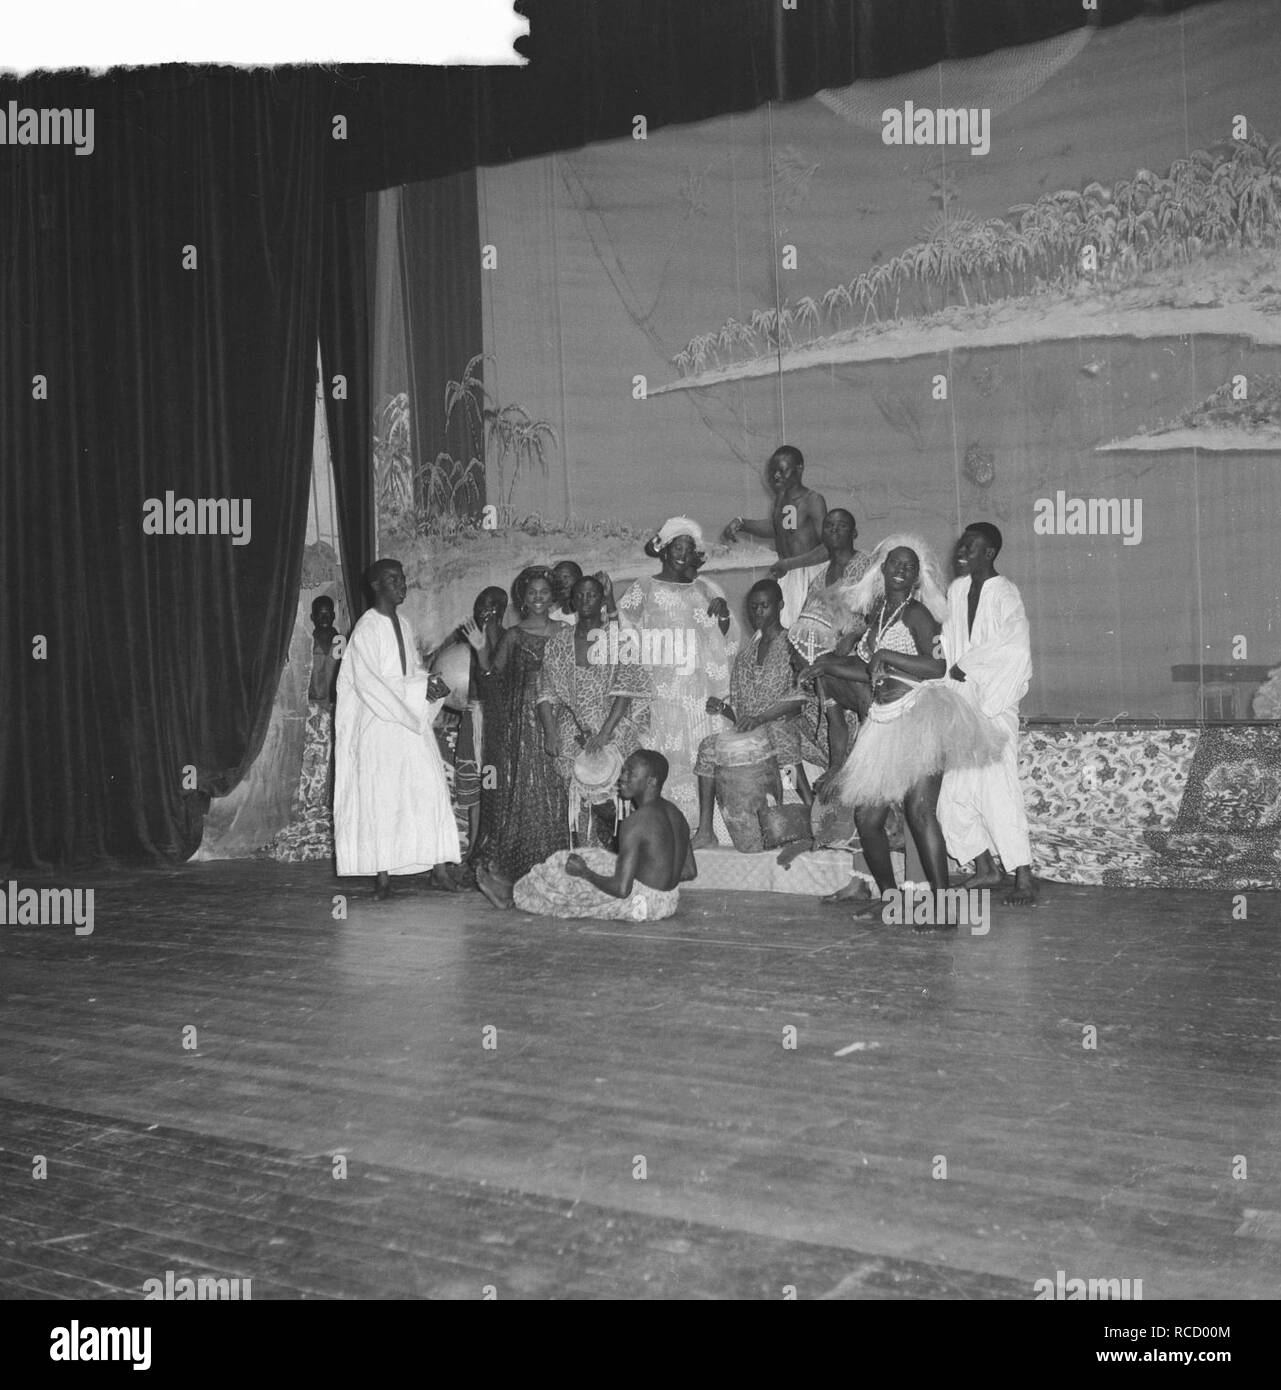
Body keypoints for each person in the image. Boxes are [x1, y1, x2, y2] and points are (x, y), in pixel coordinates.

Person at [808, 538, 1003, 923]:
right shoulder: (878, 611)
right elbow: (869, 671)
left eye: (910, 566)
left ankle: (943, 907)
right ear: (882, 569)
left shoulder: (917, 614)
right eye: (896, 563)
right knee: (867, 820)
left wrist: (886, 655)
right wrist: (825, 667)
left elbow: (937, 668)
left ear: (917, 577)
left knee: (920, 812)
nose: (902, 569)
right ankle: (890, 898)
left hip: (920, 715)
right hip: (883, 720)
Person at [333, 559, 461, 900]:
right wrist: (418, 689)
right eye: (393, 578)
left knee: (430, 789)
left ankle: (439, 870)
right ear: (376, 585)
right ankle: (383, 877)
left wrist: (429, 684)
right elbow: (370, 683)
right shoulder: (366, 629)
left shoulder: (403, 623)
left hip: (411, 722)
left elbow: (411, 671)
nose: (402, 583)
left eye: (403, 577)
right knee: (384, 797)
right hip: (381, 725)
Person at [936, 523, 1038, 907]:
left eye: (970, 546)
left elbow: (1015, 649)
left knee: (999, 791)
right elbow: (947, 642)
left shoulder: (1005, 593)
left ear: (989, 553)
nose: (961, 551)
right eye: (961, 544)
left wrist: (969, 666)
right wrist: (950, 671)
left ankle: (1023, 875)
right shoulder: (956, 590)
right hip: (962, 704)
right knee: (953, 798)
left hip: (995, 705)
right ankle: (985, 867)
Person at [616, 517, 738, 825]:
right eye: (677, 547)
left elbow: (725, 637)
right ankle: (666, 826)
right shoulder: (644, 587)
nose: (683, 553)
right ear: (664, 550)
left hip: (699, 690)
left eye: (688, 547)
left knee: (702, 751)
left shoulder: (707, 588)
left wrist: (722, 616)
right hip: (663, 691)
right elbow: (625, 629)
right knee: (666, 753)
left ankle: (709, 827)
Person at [471, 566, 570, 909]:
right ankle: (519, 880)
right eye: (532, 593)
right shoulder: (513, 636)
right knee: (525, 795)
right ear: (523, 599)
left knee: (557, 793)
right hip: (522, 725)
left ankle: (555, 873)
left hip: (560, 717)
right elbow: (492, 679)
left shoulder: (566, 632)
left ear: (552, 595)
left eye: (544, 592)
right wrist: (482, 649)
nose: (538, 598)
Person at [692, 578, 810, 849]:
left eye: (764, 606)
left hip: (784, 724)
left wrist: (762, 719)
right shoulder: (745, 656)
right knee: (709, 748)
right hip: (756, 729)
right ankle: (706, 831)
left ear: (780, 605)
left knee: (779, 737)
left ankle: (814, 815)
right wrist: (724, 709)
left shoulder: (794, 644)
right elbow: (742, 715)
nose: (758, 612)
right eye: (753, 607)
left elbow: (801, 698)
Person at [511, 750, 696, 921]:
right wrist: (655, 876)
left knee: (569, 876)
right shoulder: (676, 814)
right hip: (669, 901)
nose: (622, 778)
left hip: (640, 905)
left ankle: (512, 896)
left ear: (652, 781)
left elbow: (622, 890)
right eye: (623, 771)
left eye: (631, 773)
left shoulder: (637, 822)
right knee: (590, 857)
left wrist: (586, 873)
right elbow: (689, 871)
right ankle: (516, 890)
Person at [537, 572, 650, 845]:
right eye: (580, 595)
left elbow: (625, 690)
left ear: (602, 600)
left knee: (613, 801)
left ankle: (627, 852)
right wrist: (551, 733)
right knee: (579, 800)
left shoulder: (619, 639)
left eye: (592, 594)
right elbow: (546, 694)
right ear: (572, 601)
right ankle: (589, 857)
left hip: (613, 727)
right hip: (571, 730)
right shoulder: (558, 642)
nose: (585, 599)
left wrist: (604, 734)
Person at [786, 507, 875, 769]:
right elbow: (806, 623)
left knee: (868, 719)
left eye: (841, 525)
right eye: (829, 526)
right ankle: (838, 772)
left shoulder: (868, 567)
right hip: (826, 662)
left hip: (861, 658)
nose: (834, 530)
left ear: (855, 532)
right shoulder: (817, 579)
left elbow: (881, 613)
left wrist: (856, 634)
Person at [722, 445, 829, 626]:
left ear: (799, 468)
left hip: (811, 575)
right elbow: (779, 528)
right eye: (773, 471)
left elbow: (828, 548)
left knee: (801, 632)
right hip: (788, 573)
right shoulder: (782, 498)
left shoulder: (813, 500)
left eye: (782, 470)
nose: (776, 476)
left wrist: (790, 563)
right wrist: (742, 523)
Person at [308, 595, 341, 704]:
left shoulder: (342, 643)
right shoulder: (307, 645)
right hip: (313, 710)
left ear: (334, 616)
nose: (324, 618)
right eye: (320, 614)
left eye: (328, 614)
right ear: (312, 617)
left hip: (339, 706)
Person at [549, 559, 583, 625]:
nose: (562, 582)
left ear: (580, 579)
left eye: (566, 577)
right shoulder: (552, 619)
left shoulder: (592, 615)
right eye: (558, 579)